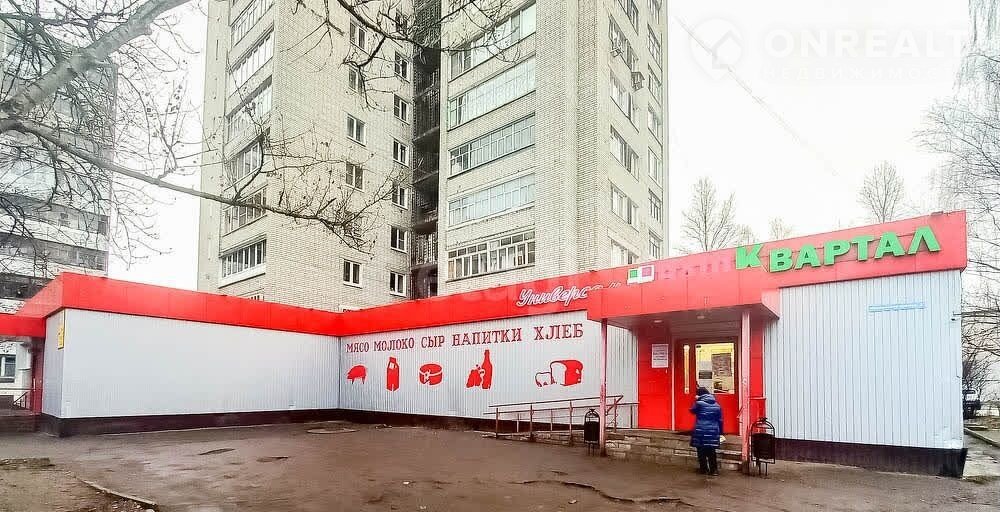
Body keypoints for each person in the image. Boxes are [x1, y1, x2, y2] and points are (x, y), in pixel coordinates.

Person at [690, 386, 723, 476]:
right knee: (711, 451)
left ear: (699, 394)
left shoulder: (699, 403)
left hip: (701, 429)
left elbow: (692, 411)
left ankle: (703, 469)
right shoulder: (717, 405)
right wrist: (720, 432)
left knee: (701, 450)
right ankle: (714, 470)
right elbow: (720, 420)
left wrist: (697, 400)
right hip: (713, 430)